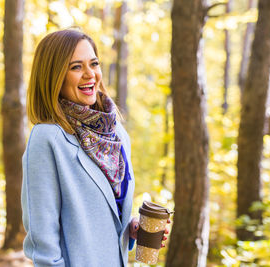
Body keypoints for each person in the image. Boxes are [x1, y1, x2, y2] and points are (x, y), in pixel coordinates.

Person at [21, 29, 168, 267]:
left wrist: (130, 227)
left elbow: (103, 211)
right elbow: (42, 240)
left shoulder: (116, 133)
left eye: (94, 64)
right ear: (53, 76)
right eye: (76, 67)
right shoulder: (47, 138)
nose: (90, 74)